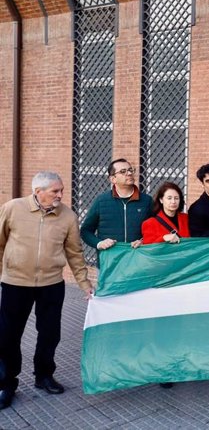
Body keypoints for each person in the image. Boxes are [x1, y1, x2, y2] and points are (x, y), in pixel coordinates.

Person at [0, 172, 93, 409]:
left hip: (51, 284)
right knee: (8, 335)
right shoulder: (13, 208)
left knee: (50, 333)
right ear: (38, 191)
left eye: (61, 190)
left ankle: (44, 375)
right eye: (55, 191)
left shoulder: (68, 216)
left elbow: (74, 252)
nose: (61, 195)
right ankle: (6, 383)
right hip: (15, 283)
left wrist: (84, 283)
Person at [80, 158, 153, 255]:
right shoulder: (101, 201)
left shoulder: (147, 201)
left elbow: (156, 230)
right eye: (123, 171)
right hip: (109, 262)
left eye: (130, 170)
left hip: (138, 261)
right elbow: (85, 231)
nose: (129, 173)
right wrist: (99, 243)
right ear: (113, 179)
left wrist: (144, 241)